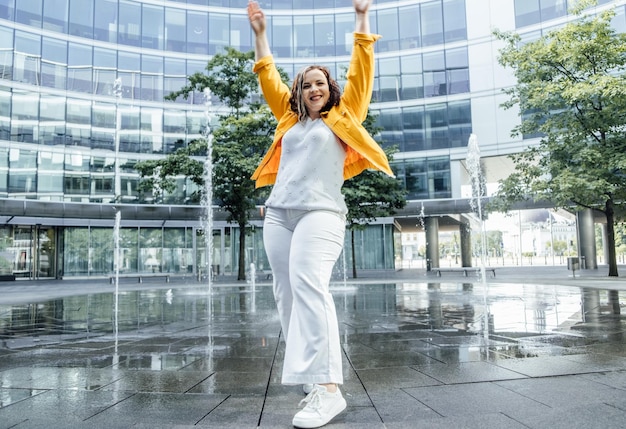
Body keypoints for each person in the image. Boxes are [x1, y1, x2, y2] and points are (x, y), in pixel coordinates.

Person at [247, 1, 393, 427]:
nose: (314, 89)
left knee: (310, 285)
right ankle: (311, 382)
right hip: (278, 216)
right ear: (299, 92)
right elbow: (267, 76)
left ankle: (330, 389)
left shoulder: (345, 116)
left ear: (330, 89)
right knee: (286, 294)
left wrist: (362, 16)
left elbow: (361, 67)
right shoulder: (287, 121)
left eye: (320, 83)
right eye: (307, 84)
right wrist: (259, 34)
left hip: (322, 214)